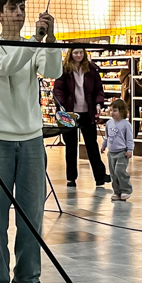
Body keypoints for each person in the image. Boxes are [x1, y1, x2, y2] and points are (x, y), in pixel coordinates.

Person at [0, 0, 61, 283]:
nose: (19, 13)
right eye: (13, 8)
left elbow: (53, 71)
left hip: (31, 140)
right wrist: (35, 42)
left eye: (22, 8)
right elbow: (8, 66)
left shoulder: (33, 44)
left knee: (32, 213)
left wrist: (50, 41)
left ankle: (28, 276)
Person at [53, 46, 109, 188]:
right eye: (76, 52)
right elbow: (58, 89)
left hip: (87, 113)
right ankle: (71, 178)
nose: (78, 55)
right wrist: (61, 105)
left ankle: (100, 176)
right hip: (69, 114)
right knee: (71, 146)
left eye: (81, 52)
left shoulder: (91, 70)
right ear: (70, 54)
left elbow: (98, 89)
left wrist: (98, 104)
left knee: (92, 145)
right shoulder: (64, 70)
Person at [103, 99, 134, 201]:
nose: (112, 113)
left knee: (119, 171)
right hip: (111, 153)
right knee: (113, 173)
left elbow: (129, 138)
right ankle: (117, 192)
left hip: (122, 153)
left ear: (122, 111)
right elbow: (107, 137)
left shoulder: (126, 124)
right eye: (111, 110)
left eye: (115, 110)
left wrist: (130, 149)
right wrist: (103, 145)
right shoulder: (108, 123)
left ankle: (126, 189)